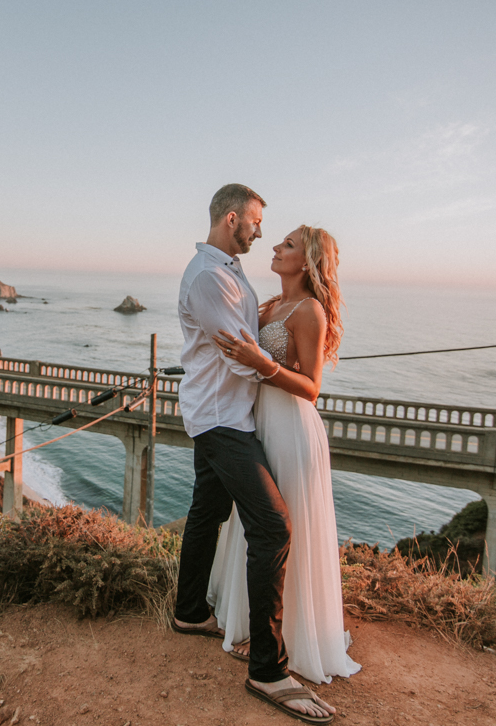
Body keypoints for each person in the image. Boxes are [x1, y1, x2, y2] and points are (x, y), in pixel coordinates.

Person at [171, 185, 334, 724]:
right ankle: (267, 669)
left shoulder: (232, 270)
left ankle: (190, 612)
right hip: (223, 419)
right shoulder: (210, 276)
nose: (262, 233)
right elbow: (241, 357)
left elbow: (258, 347)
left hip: (241, 416)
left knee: (209, 510)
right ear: (233, 218)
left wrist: (262, 353)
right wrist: (263, 357)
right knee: (273, 528)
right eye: (258, 223)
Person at [209, 225, 360, 697]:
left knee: (283, 527)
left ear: (309, 261)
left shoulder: (309, 310)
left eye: (288, 245)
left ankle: (293, 634)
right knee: (256, 524)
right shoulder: (268, 306)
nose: (275, 247)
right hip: (256, 423)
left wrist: (262, 363)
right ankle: (256, 624)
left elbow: (312, 388)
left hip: (292, 429)